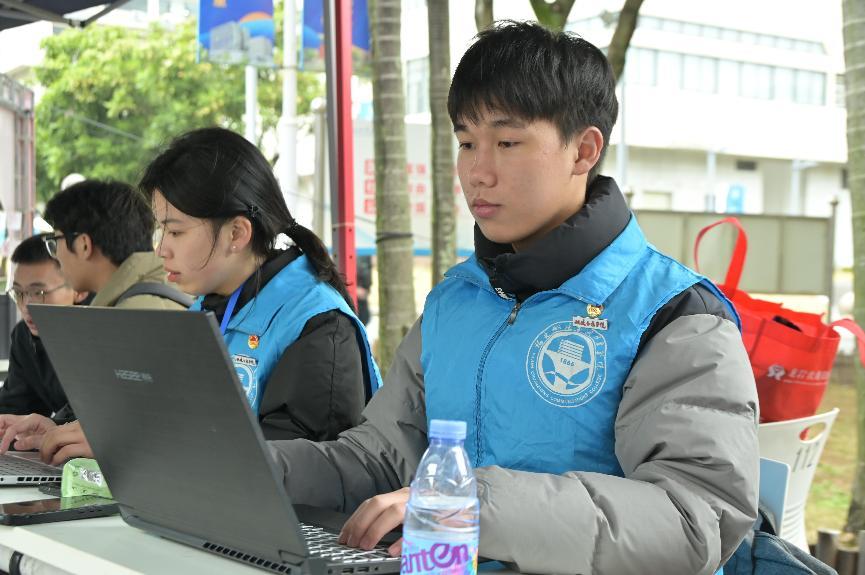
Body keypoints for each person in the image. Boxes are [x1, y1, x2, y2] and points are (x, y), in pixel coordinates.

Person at [267, 21, 759, 574]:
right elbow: (380, 459)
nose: (477, 172)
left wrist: (475, 507)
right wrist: (252, 465)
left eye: (507, 143)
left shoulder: (674, 316)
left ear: (583, 150)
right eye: (466, 143)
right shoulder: (456, 301)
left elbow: (694, 519)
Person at [138, 126, 380, 443]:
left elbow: (298, 462)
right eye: (161, 231)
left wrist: (148, 442)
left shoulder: (319, 327)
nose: (161, 250)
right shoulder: (207, 307)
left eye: (175, 232)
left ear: (237, 233)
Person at [0, 179, 190, 460]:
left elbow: (148, 441)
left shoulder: (132, 318)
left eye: (55, 243)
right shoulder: (140, 302)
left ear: (84, 245)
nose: (56, 255)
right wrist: (58, 430)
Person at [0, 234, 89, 421]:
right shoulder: (24, 336)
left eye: (39, 292)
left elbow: (94, 413)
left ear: (79, 290)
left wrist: (53, 428)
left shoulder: (103, 336)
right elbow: (16, 407)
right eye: (18, 293)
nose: (26, 306)